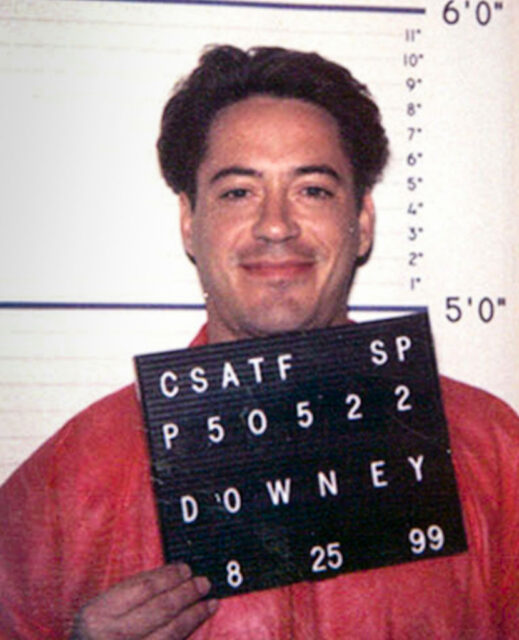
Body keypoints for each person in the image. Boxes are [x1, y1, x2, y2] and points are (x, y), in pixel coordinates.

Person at [0, 45, 518, 639]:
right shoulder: (70, 480)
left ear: (364, 221)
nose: (276, 225)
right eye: (238, 192)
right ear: (189, 222)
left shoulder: (492, 449)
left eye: (313, 190)